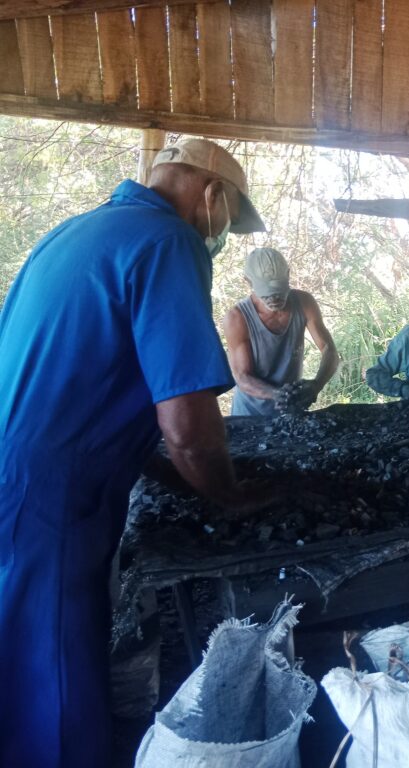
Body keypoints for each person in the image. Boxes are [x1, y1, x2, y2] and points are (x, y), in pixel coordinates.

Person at [0, 138, 268, 767]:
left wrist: (173, 475)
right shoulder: (169, 241)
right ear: (213, 195)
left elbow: (89, 390)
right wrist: (230, 495)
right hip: (50, 495)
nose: (219, 234)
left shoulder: (76, 232)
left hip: (18, 472)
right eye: (228, 219)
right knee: (53, 669)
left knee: (15, 645)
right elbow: (187, 424)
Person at [224, 247, 339, 416]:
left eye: (279, 292)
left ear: (288, 275)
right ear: (248, 282)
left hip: (290, 410)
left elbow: (329, 350)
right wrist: (276, 394)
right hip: (249, 413)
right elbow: (243, 377)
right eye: (266, 295)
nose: (274, 299)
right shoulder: (236, 318)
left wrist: (317, 384)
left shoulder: (304, 302)